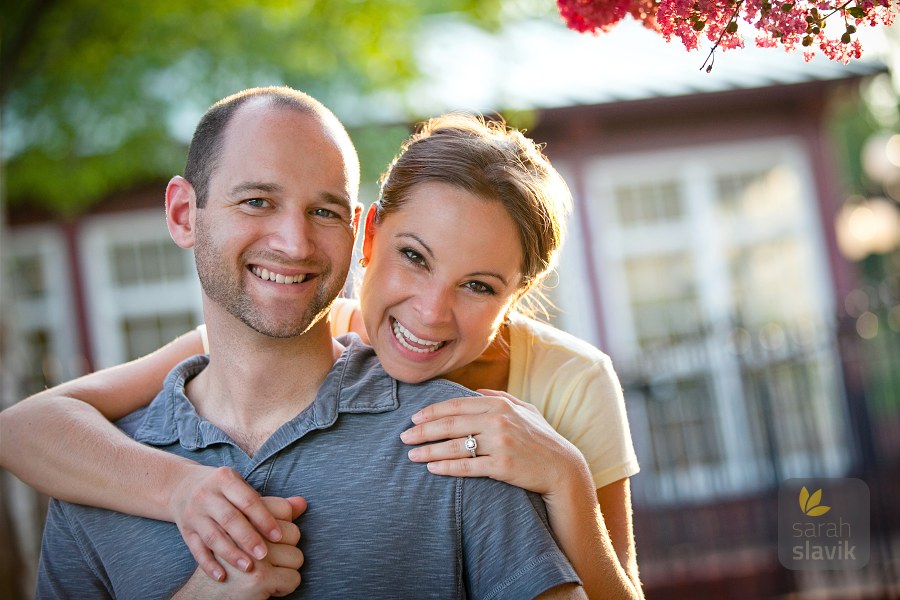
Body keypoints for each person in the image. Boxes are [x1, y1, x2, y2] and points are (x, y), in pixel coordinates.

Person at [1, 105, 643, 598]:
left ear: (516, 297)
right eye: (413, 258)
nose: (429, 312)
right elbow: (23, 428)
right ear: (372, 239)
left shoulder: (505, 425)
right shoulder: (107, 466)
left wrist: (566, 476)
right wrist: (187, 498)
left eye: (478, 286)